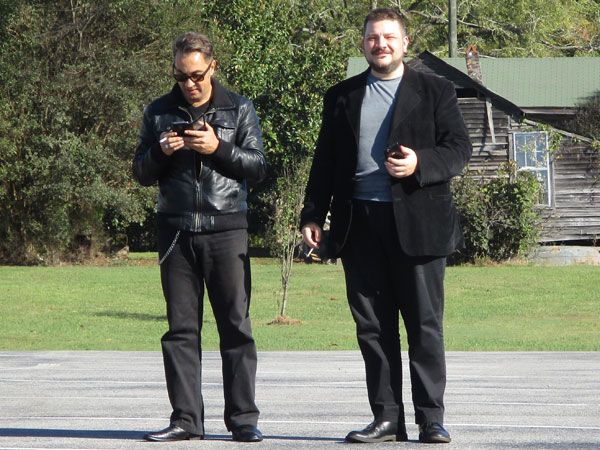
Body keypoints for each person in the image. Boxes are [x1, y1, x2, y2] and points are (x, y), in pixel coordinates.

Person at [300, 9, 472, 444]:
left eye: (389, 37)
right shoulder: (341, 96)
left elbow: (459, 150)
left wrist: (419, 163)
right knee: (373, 329)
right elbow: (325, 163)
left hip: (420, 225)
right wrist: (312, 214)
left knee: (424, 326)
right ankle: (386, 419)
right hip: (359, 226)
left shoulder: (435, 90)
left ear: (405, 43)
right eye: (373, 38)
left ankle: (430, 419)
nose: (381, 44)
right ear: (363, 45)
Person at [133, 32, 266, 443]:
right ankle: (185, 419)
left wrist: (217, 148)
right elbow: (139, 172)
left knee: (235, 329)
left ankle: (243, 419)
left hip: (227, 230)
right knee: (180, 331)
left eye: (195, 74)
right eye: (179, 76)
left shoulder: (239, 108)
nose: (188, 84)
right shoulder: (158, 112)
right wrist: (161, 152)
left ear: (212, 66)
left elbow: (258, 166)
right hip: (175, 234)